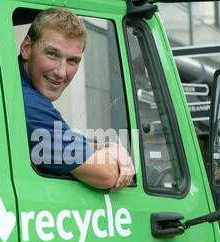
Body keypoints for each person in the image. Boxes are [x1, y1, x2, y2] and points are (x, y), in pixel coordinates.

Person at [19, 7, 134, 191]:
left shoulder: (16, 86)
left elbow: (64, 139)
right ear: (26, 48)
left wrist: (107, 146)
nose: (61, 72)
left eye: (72, 61)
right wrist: (113, 151)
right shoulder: (27, 103)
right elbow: (107, 174)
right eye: (52, 54)